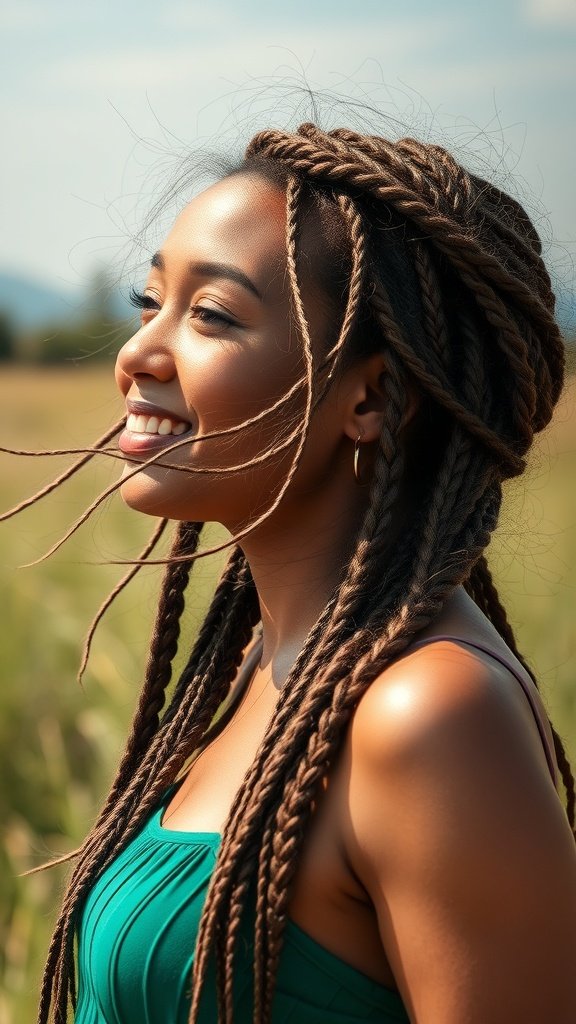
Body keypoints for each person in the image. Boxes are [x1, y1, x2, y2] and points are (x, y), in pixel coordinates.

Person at [16, 122, 576, 1022]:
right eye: (148, 300)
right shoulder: (263, 673)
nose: (138, 355)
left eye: (210, 316)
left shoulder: (426, 717)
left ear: (370, 397)